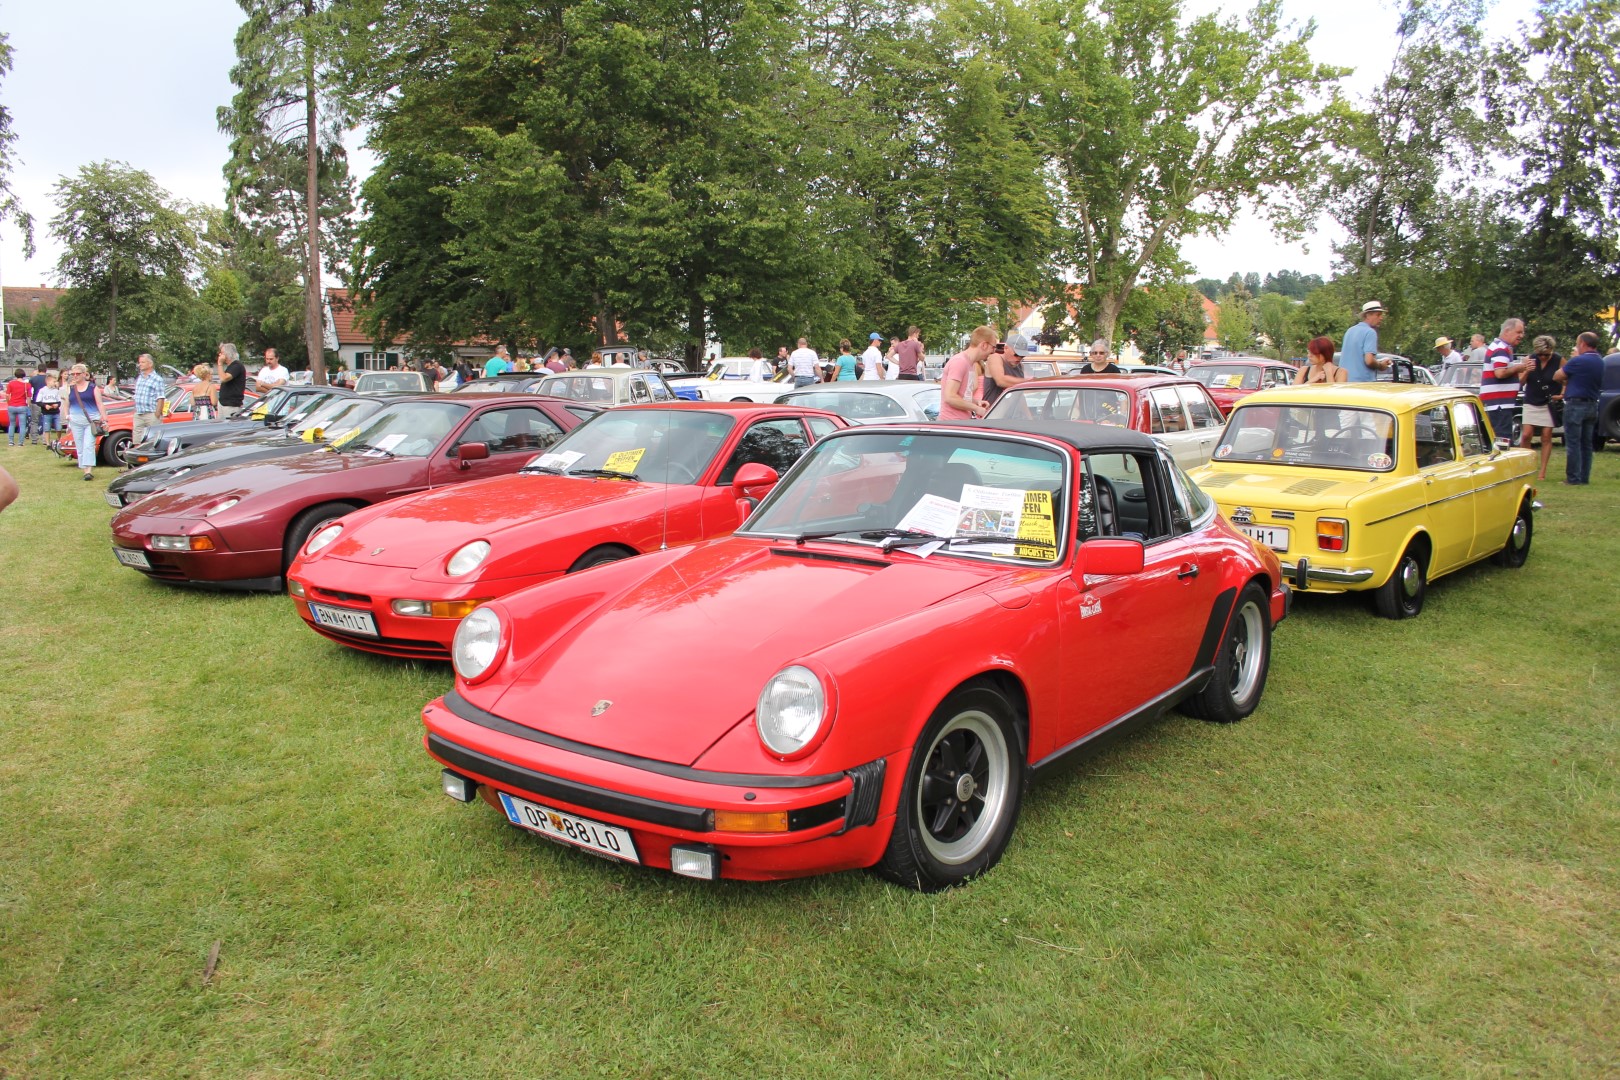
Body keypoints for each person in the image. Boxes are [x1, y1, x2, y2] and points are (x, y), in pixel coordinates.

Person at [1553, 331, 1603, 485]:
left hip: (1576, 404)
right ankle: (1584, 477)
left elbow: (1557, 375)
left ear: (1582, 343)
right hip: (1592, 403)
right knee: (1586, 443)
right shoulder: (1600, 361)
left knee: (1573, 442)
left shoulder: (1578, 361)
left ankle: (1573, 478)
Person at [1519, 335, 1562, 480]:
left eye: (1546, 354)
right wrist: (1526, 370)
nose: (1543, 357)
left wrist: (1562, 394)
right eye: (1540, 354)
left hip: (1548, 402)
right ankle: (1525, 466)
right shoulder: (1529, 359)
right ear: (1535, 351)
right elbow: (1520, 382)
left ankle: (1542, 472)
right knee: (1526, 435)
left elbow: (1567, 378)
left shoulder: (1558, 360)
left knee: (1546, 436)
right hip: (1531, 399)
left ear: (1552, 351)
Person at [1481, 318, 1529, 442]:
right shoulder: (1501, 349)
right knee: (1502, 440)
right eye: (1518, 332)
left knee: (1497, 439)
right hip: (1499, 404)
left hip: (1498, 403)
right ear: (1507, 331)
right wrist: (1519, 367)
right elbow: (1500, 373)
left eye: (1522, 332)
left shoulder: (1501, 347)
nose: (1521, 336)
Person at [938, 326, 996, 420]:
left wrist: (976, 402)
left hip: (961, 422)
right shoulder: (959, 362)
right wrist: (976, 408)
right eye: (993, 347)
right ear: (984, 345)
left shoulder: (971, 363)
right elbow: (950, 397)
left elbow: (962, 396)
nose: (993, 351)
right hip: (951, 424)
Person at [63, 364, 108, 480]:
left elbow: (99, 403)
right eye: (73, 374)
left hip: (91, 421)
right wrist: (67, 415)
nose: (75, 376)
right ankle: (84, 469)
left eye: (78, 374)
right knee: (80, 445)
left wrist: (104, 419)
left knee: (88, 445)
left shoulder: (93, 388)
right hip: (76, 421)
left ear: (84, 374)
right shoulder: (70, 388)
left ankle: (88, 470)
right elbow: (66, 403)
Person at [1340, 301, 1392, 382]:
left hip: (1344, 380)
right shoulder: (1370, 332)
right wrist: (1381, 365)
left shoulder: (1349, 331)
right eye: (1378, 315)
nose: (1381, 318)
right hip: (1363, 383)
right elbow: (1369, 360)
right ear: (1367, 315)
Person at [131, 353, 165, 448]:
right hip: (139, 413)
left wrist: (157, 414)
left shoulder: (157, 379)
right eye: (139, 362)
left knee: (153, 440)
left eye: (143, 362)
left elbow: (161, 398)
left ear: (150, 364)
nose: (140, 364)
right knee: (137, 440)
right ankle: (137, 460)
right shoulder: (139, 378)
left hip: (151, 413)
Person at [983, 340, 1028, 407]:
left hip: (1013, 413)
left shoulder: (1020, 366)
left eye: (1022, 356)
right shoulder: (995, 358)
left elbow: (1020, 396)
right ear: (1006, 348)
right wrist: (1029, 381)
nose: (1019, 358)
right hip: (994, 411)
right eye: (1016, 354)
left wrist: (1028, 416)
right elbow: (1000, 381)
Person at [34, 370, 62, 448]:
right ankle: (48, 443)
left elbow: (59, 401)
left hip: (56, 412)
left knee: (58, 427)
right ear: (48, 382)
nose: (55, 383)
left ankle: (59, 440)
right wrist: (45, 406)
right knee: (47, 428)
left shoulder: (56, 391)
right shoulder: (42, 390)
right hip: (47, 413)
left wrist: (57, 405)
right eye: (53, 381)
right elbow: (38, 401)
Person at [6, 368, 30, 447]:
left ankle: (11, 441)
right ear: (23, 375)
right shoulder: (27, 385)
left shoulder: (11, 383)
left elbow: (7, 395)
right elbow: (29, 397)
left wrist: (8, 403)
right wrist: (28, 405)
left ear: (15, 375)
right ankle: (20, 442)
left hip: (12, 405)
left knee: (12, 424)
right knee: (22, 425)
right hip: (22, 405)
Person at [26, 364, 46, 443]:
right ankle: (45, 439)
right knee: (46, 420)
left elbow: (29, 391)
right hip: (46, 402)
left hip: (35, 401)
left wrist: (29, 402)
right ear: (46, 370)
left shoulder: (33, 379)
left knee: (34, 421)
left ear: (38, 370)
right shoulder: (48, 379)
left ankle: (34, 439)